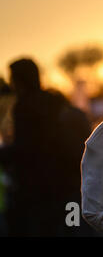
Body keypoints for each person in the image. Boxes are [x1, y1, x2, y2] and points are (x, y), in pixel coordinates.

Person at [0, 58, 91, 236]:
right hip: (67, 186)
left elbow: (26, 148)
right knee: (70, 228)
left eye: (13, 78)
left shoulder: (25, 106)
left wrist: (4, 154)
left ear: (21, 80)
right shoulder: (54, 101)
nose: (11, 83)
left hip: (40, 191)